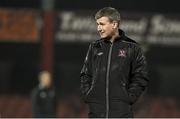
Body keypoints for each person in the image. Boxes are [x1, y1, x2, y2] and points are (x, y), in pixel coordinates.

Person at [80, 7, 149, 118]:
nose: (98, 28)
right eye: (97, 24)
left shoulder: (132, 47)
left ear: (114, 24)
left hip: (122, 113)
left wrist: (129, 97)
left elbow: (141, 76)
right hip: (96, 113)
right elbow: (85, 75)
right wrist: (89, 95)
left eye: (102, 24)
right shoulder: (95, 47)